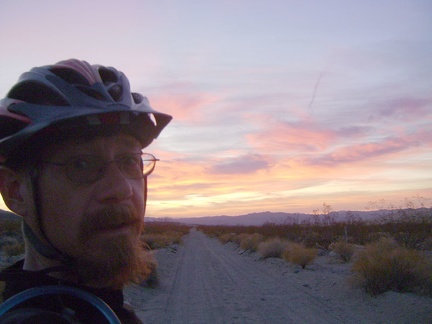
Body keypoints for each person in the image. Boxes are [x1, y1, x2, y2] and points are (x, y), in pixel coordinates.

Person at [0, 59, 172, 323]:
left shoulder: (103, 309)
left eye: (130, 161)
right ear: (16, 192)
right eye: (81, 164)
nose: (121, 189)